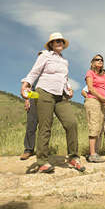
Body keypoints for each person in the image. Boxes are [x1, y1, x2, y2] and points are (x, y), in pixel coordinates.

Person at [20, 32, 85, 173]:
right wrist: (25, 85)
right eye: (56, 41)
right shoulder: (45, 56)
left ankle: (73, 157)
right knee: (45, 126)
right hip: (44, 92)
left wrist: (68, 88)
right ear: (51, 44)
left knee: (71, 123)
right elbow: (34, 72)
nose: (59, 43)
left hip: (61, 96)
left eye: (61, 41)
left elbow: (64, 78)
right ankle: (42, 161)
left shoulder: (65, 61)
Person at [81, 69, 105, 156]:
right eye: (102, 74)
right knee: (98, 129)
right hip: (99, 107)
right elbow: (83, 91)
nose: (103, 75)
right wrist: (90, 98)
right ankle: (95, 150)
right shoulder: (96, 83)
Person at [84, 54, 105, 163]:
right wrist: (101, 98)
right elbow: (90, 88)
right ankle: (92, 154)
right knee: (94, 125)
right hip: (93, 100)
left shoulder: (104, 75)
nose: (100, 61)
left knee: (99, 127)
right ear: (92, 62)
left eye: (101, 60)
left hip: (102, 103)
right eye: (97, 60)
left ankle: (95, 152)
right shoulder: (90, 73)